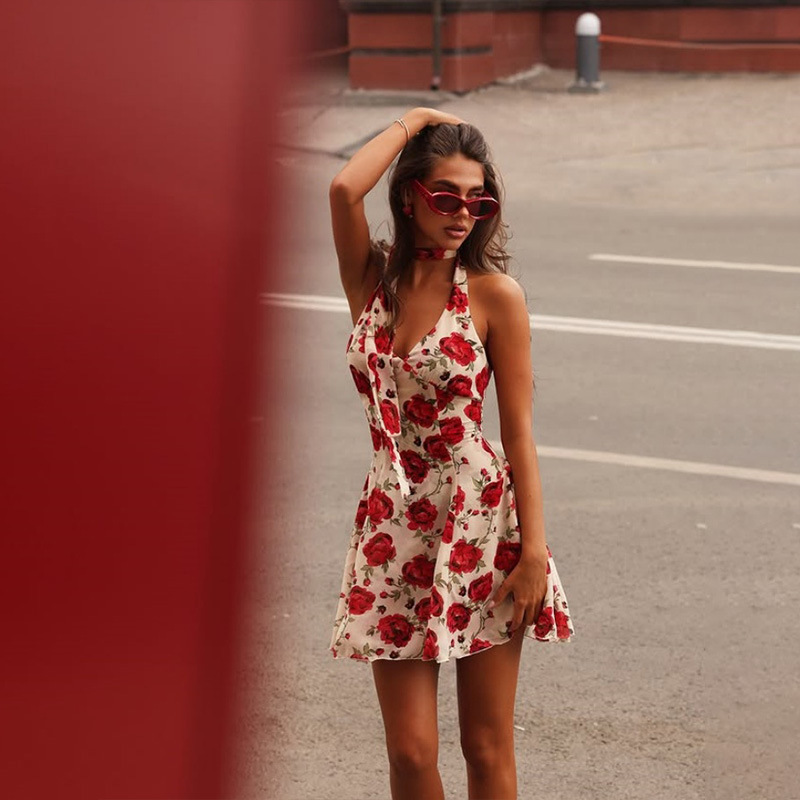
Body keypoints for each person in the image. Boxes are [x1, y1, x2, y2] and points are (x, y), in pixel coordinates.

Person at [328, 107, 574, 800]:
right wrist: (414, 121)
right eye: (446, 196)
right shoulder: (372, 282)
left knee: (485, 745)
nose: (463, 213)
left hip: (481, 521)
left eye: (478, 200)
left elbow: (518, 431)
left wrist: (533, 554)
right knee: (409, 753)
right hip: (391, 521)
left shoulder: (495, 296)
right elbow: (343, 189)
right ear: (409, 197)